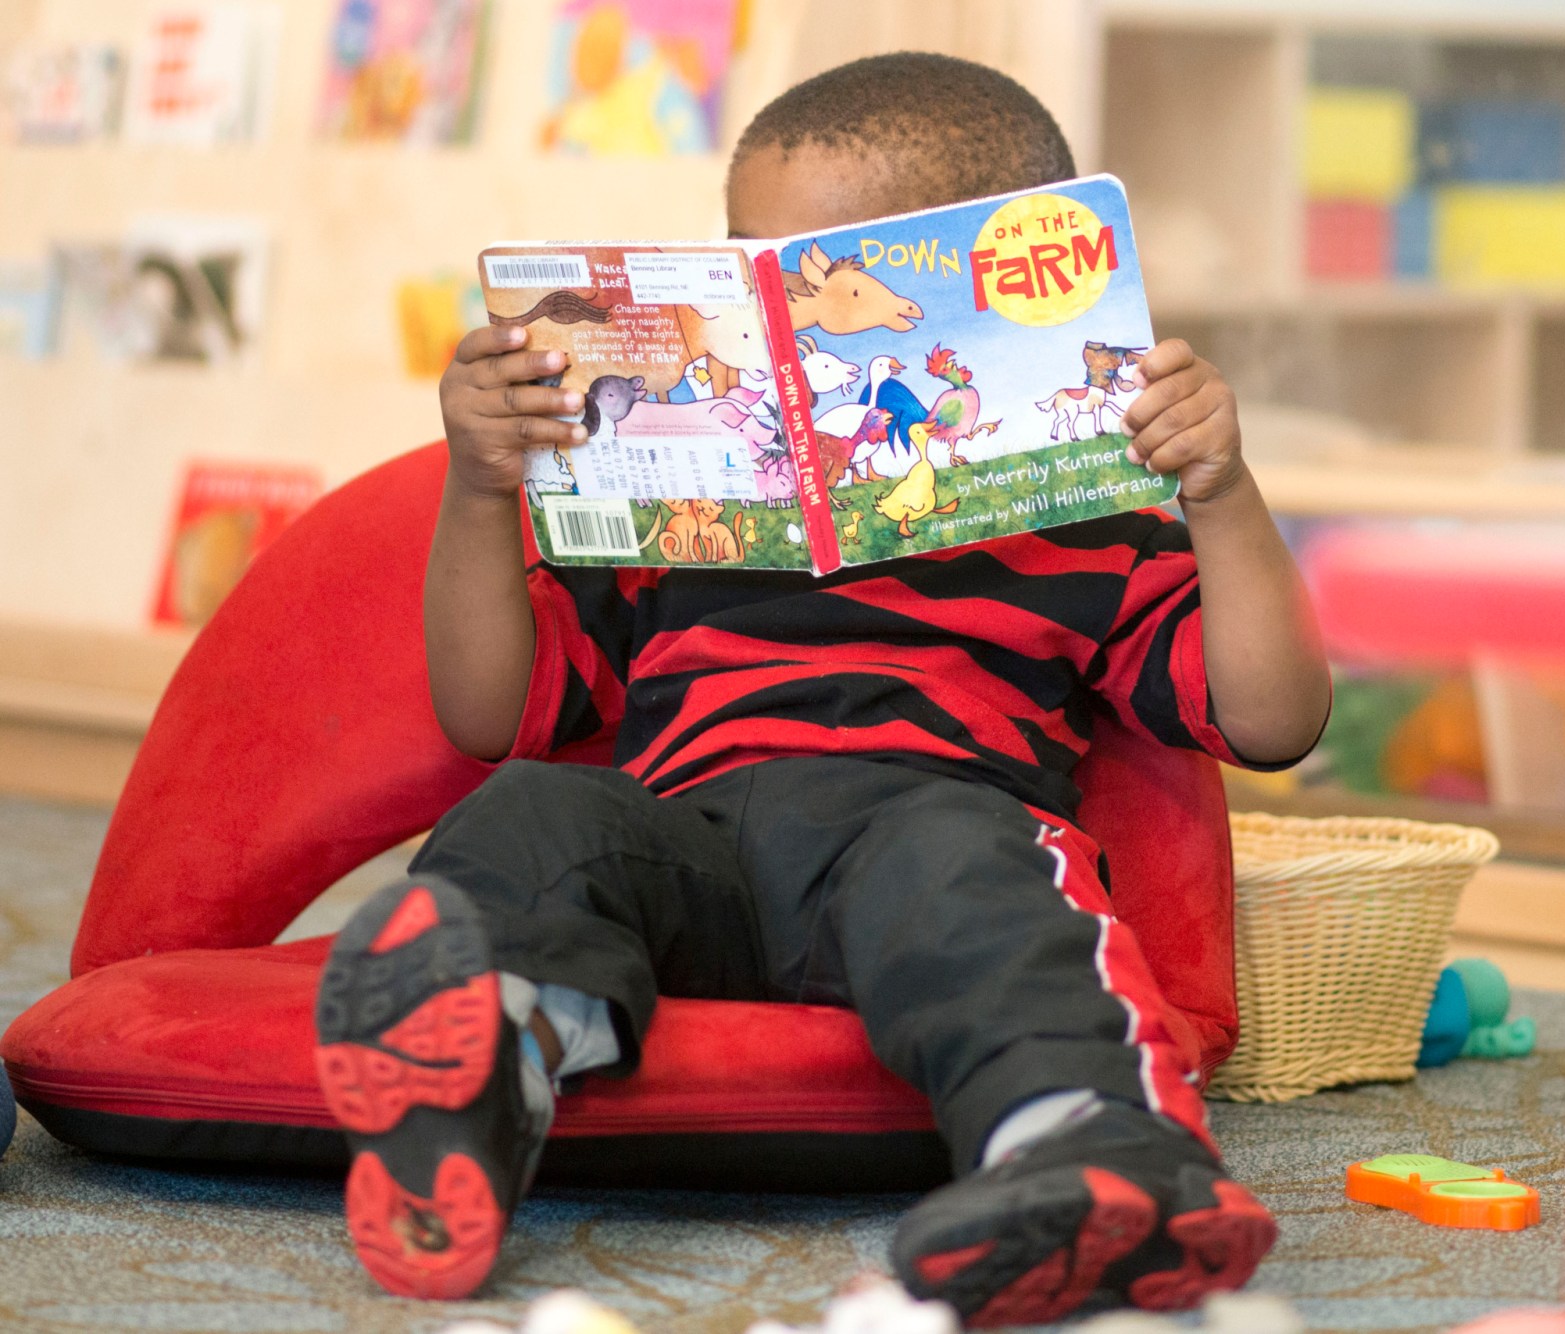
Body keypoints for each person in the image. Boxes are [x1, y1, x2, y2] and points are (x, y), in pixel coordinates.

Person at [311, 51, 1331, 1325]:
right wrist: (482, 485)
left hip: (922, 824)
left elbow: (1272, 717)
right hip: (691, 843)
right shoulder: (677, 496)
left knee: (974, 868)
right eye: (743, 266)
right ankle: (480, 1076)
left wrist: (1218, 494)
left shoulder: (1080, 518)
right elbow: (483, 713)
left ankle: (1089, 1153)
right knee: (530, 816)